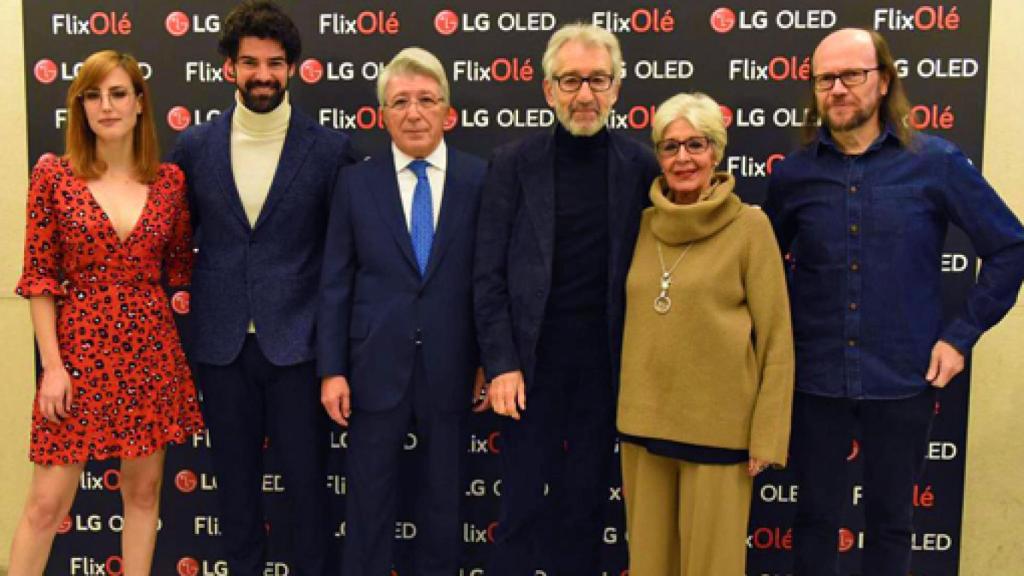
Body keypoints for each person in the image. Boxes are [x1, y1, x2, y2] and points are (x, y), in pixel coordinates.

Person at [765, 28, 1024, 576]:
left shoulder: (937, 164)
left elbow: (1009, 248)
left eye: (851, 75)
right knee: (813, 520)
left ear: (883, 81)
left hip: (903, 378)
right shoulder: (793, 177)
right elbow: (759, 273)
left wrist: (960, 337)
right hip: (815, 379)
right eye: (824, 79)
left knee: (891, 524)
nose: (837, 89)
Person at [170, 1, 356, 574]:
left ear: (293, 67)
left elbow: (345, 258)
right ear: (229, 67)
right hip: (221, 348)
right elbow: (172, 244)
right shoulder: (195, 147)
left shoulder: (329, 150)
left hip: (299, 349)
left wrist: (333, 353)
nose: (263, 75)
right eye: (250, 62)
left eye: (275, 63)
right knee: (235, 492)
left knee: (307, 491)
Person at [473, 22, 660, 575]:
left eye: (598, 80)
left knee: (584, 512)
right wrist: (501, 364)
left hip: (607, 374)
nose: (585, 94)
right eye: (571, 80)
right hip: (529, 374)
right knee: (520, 510)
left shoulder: (641, 168)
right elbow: (488, 275)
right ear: (548, 89)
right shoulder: (512, 163)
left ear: (618, 88)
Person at [8, 49, 203, 576]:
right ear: (80, 108)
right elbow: (40, 278)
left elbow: (182, 265)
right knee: (46, 505)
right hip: (75, 353)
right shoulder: (54, 177)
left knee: (142, 495)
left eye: (118, 93)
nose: (106, 106)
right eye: (92, 96)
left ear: (140, 103)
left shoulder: (170, 183)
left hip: (149, 351)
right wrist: (52, 366)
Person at [318, 46, 486, 576]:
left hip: (452, 365)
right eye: (401, 102)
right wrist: (332, 370)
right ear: (382, 115)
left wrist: (488, 359)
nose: (414, 113)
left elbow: (490, 281)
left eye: (426, 101)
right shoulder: (354, 183)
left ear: (447, 112)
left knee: (444, 503)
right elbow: (335, 281)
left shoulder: (479, 179)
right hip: (373, 368)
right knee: (368, 503)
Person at [616, 92, 793, 575]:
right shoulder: (643, 226)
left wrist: (768, 436)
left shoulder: (750, 228)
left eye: (696, 144)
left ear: (716, 151)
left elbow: (777, 339)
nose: (682, 158)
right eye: (670, 147)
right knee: (650, 565)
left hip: (719, 433)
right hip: (643, 429)